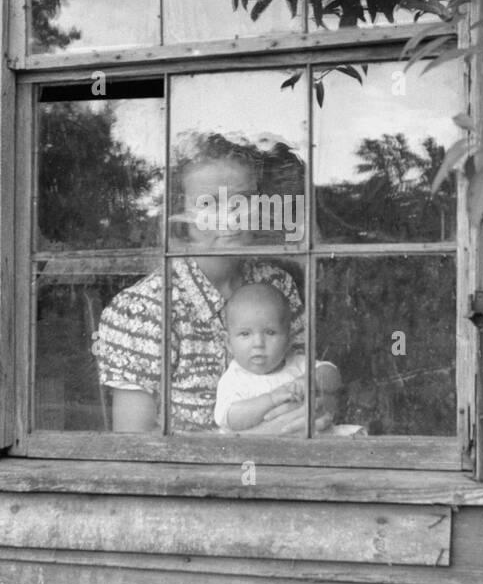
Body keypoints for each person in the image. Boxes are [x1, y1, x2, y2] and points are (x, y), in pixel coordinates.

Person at [92, 134, 334, 434]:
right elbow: (134, 448)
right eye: (208, 202)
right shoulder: (142, 310)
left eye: (241, 200)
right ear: (181, 213)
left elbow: (313, 387)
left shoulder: (276, 284)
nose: (228, 218)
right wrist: (258, 440)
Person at [213, 282, 341, 433]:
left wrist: (310, 380)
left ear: (289, 339)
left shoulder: (298, 364)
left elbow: (333, 375)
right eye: (245, 334)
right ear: (229, 343)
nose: (258, 343)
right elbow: (230, 418)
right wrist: (271, 399)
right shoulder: (233, 379)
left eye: (270, 332)